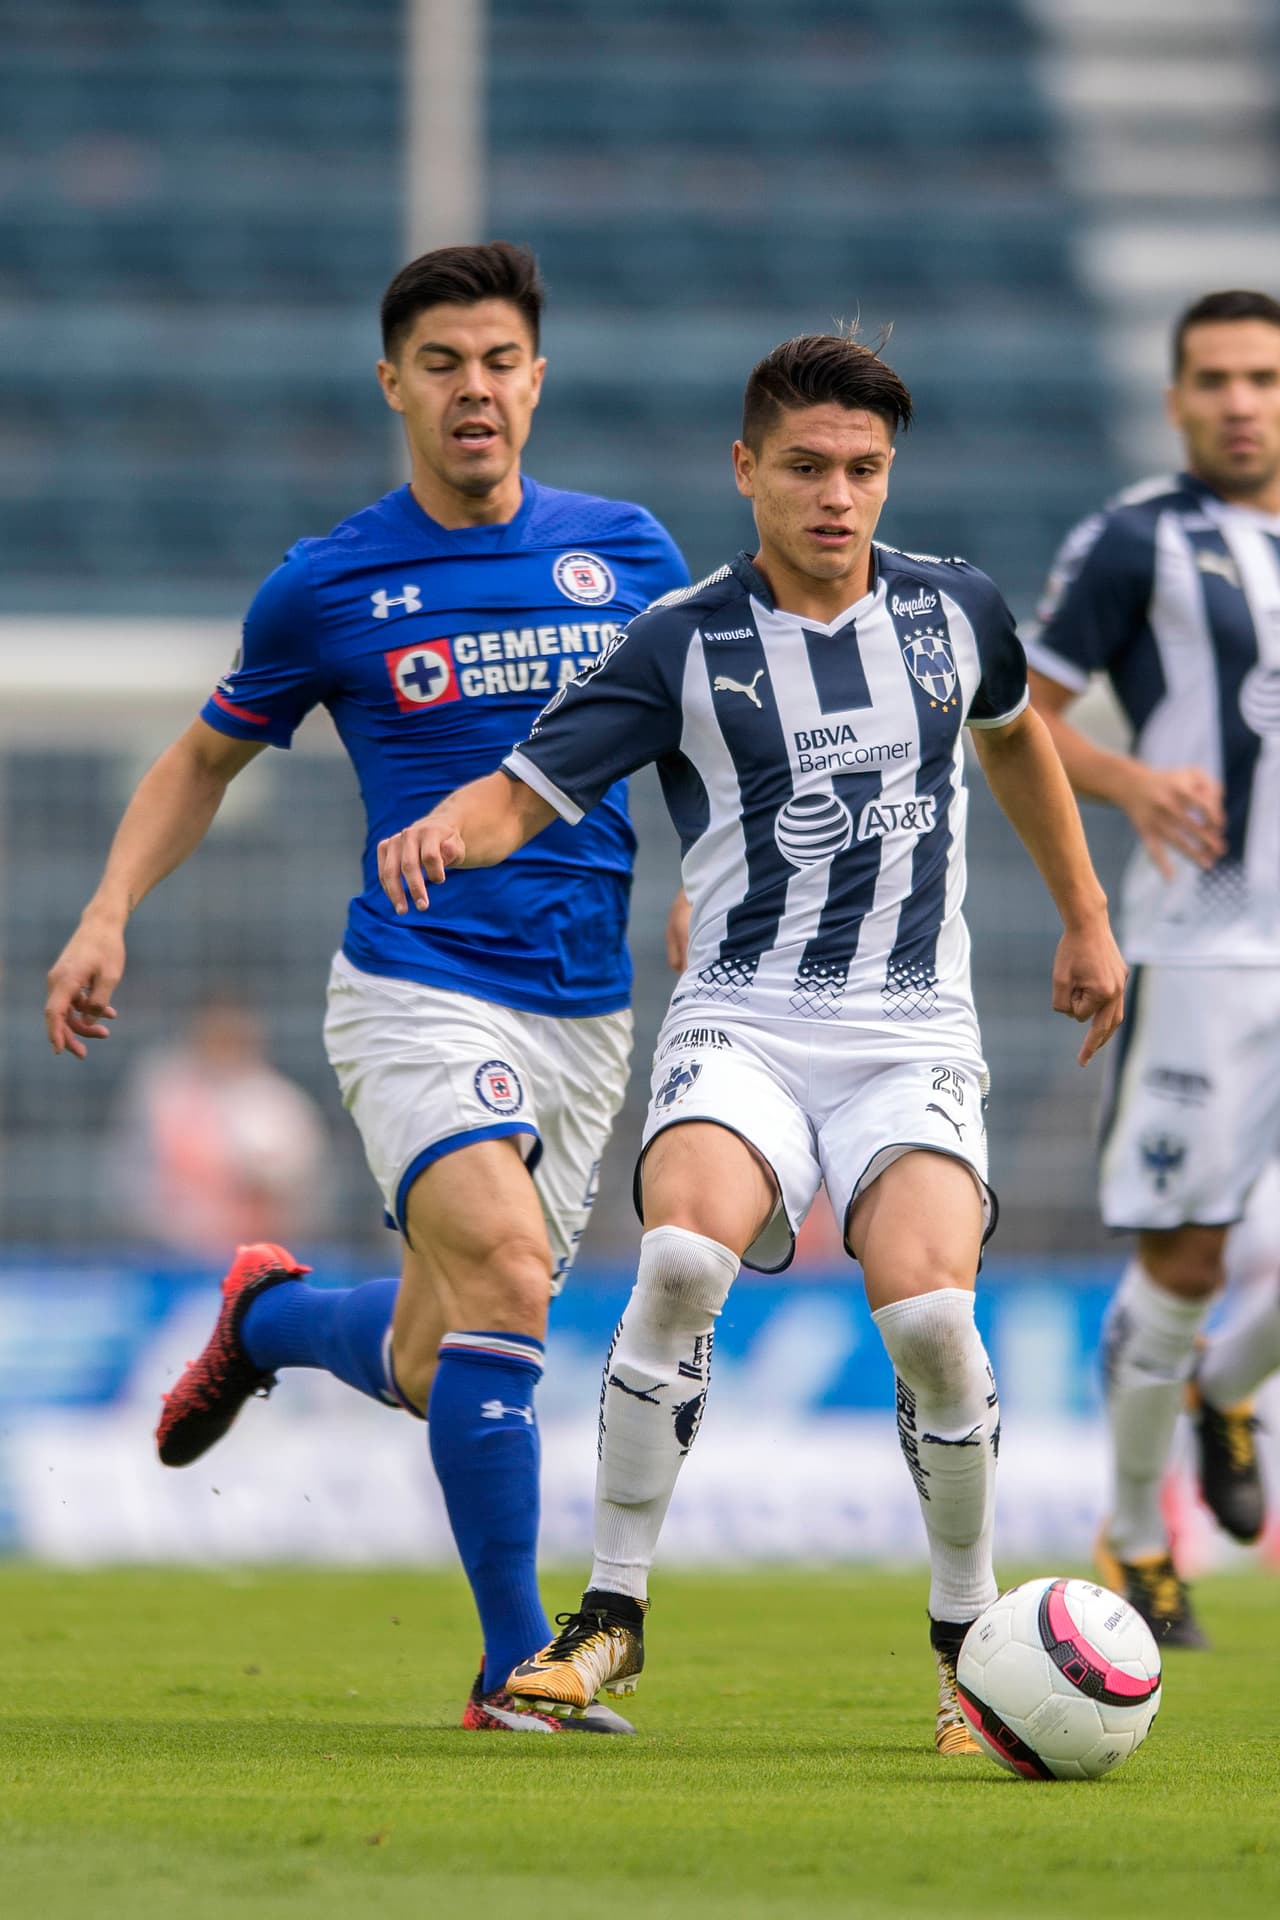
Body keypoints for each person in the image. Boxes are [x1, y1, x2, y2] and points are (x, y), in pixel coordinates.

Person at [375, 331, 1128, 1752]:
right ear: (746, 470)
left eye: (863, 469)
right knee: (678, 1258)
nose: (836, 497)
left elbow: (1016, 736)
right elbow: (523, 792)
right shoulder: (680, 641)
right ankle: (610, 1616)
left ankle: (968, 1642)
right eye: (805, 468)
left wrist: (1086, 916)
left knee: (932, 1326)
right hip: (742, 1017)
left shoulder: (957, 611)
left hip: (910, 1030)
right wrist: (442, 833)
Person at [43, 241, 689, 1733]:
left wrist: (704, 880)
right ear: (393, 384)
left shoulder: (629, 553)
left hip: (585, 1011)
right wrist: (106, 911)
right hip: (416, 983)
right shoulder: (329, 583)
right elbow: (200, 760)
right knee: (510, 1278)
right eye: (443, 364)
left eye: (500, 362)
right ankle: (514, 1667)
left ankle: (267, 1321)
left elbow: (699, 741)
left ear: (538, 380)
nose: (476, 390)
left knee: (431, 1352)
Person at [1026, 288, 1280, 1647]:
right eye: (1215, 379)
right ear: (1176, 397)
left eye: (1263, 378)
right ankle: (1136, 1538)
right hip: (1204, 949)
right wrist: (1127, 781)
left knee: (1212, 1293)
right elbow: (1017, 717)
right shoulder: (1135, 540)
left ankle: (1223, 1391)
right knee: (1185, 1254)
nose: (1240, 402)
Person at [110, 996, 330, 1255]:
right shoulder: (164, 1091)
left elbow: (304, 1186)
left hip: (256, 1252)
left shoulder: (278, 1102)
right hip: (170, 1250)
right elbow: (133, 1170)